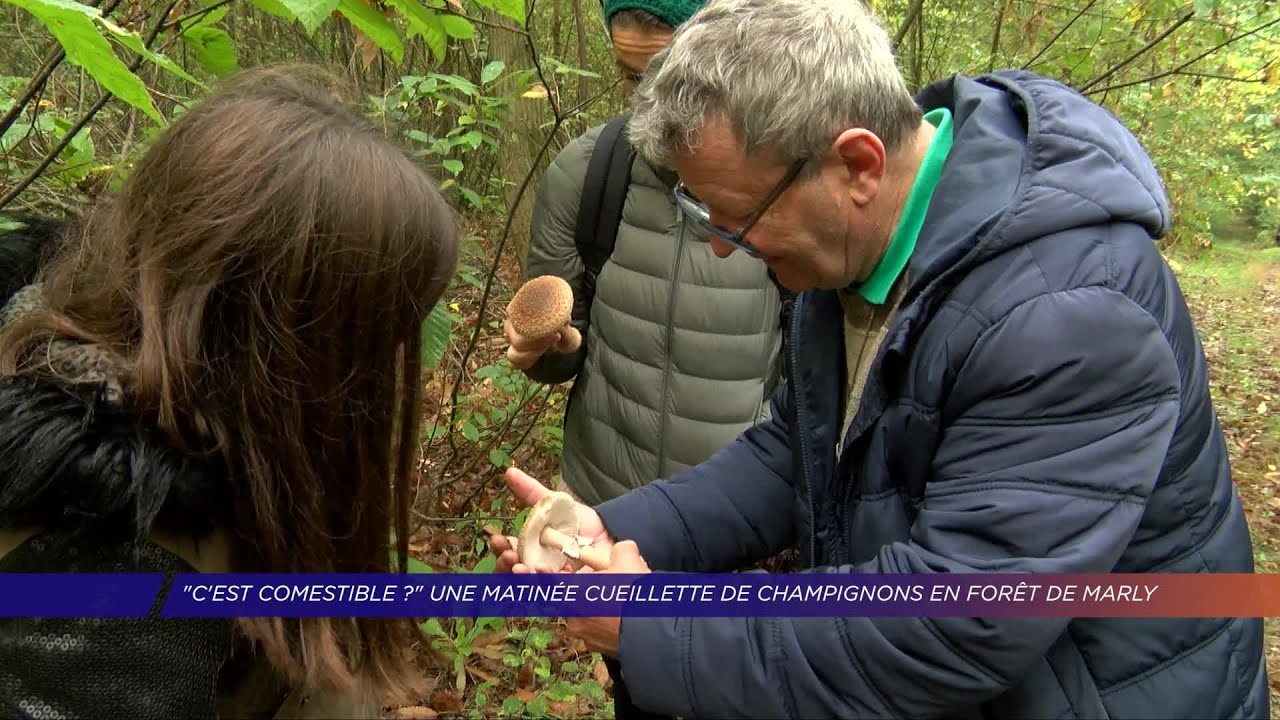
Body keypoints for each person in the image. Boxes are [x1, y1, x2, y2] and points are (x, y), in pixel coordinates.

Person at [488, 0, 1271, 718]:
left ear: (857, 166)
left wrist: (653, 629)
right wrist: (608, 530)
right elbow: (798, 453)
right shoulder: (867, 247)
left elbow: (956, 622)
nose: (724, 245)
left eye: (740, 215)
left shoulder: (1066, 312)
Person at [0, 65, 459, 719]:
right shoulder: (108, 569)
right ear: (285, 347)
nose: (386, 371)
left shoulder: (214, 442)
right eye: (375, 334)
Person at [503, 0, 789, 507]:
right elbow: (559, 356)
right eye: (634, 78)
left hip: (735, 517)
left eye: (675, 79)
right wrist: (547, 347)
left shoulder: (788, 180)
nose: (652, 106)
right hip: (598, 501)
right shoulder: (586, 175)